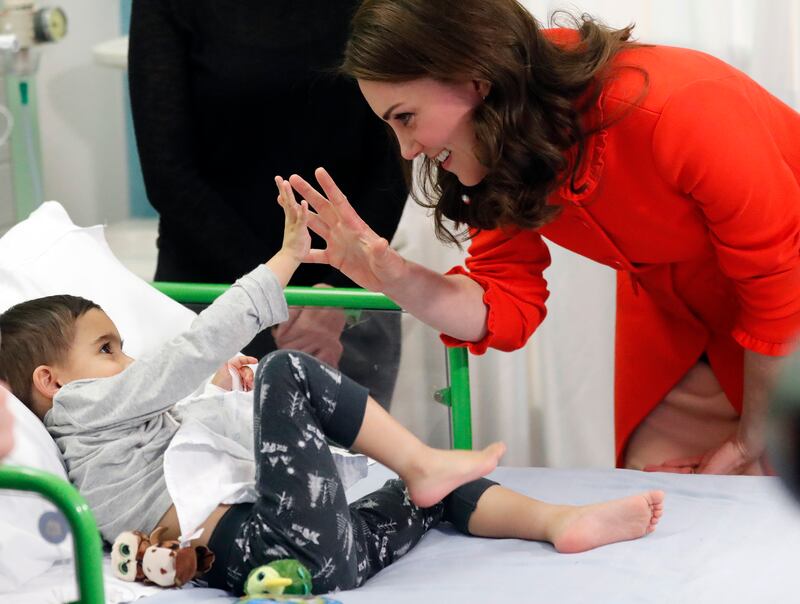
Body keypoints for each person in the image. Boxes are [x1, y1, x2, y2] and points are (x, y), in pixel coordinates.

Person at [0, 179, 663, 595]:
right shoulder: (82, 410)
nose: (129, 359)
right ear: (50, 381)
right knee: (289, 371)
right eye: (110, 348)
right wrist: (282, 263)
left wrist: (230, 397)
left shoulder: (128, 428)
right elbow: (188, 350)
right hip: (265, 542)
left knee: (423, 498)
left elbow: (207, 445)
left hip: (320, 557)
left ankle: (560, 522)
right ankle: (427, 464)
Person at [284, 0, 800, 476]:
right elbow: (502, 303)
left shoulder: (682, 106)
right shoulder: (502, 142)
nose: (408, 149)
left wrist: (755, 436)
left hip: (786, 310)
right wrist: (394, 278)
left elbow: (779, 284)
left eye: (406, 118)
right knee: (665, 518)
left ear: (475, 78)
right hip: (677, 319)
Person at [127, 0, 409, 407]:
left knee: (356, 469)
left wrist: (336, 292)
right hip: (213, 298)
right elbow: (168, 174)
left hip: (347, 297)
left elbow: (396, 151)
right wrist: (276, 291)